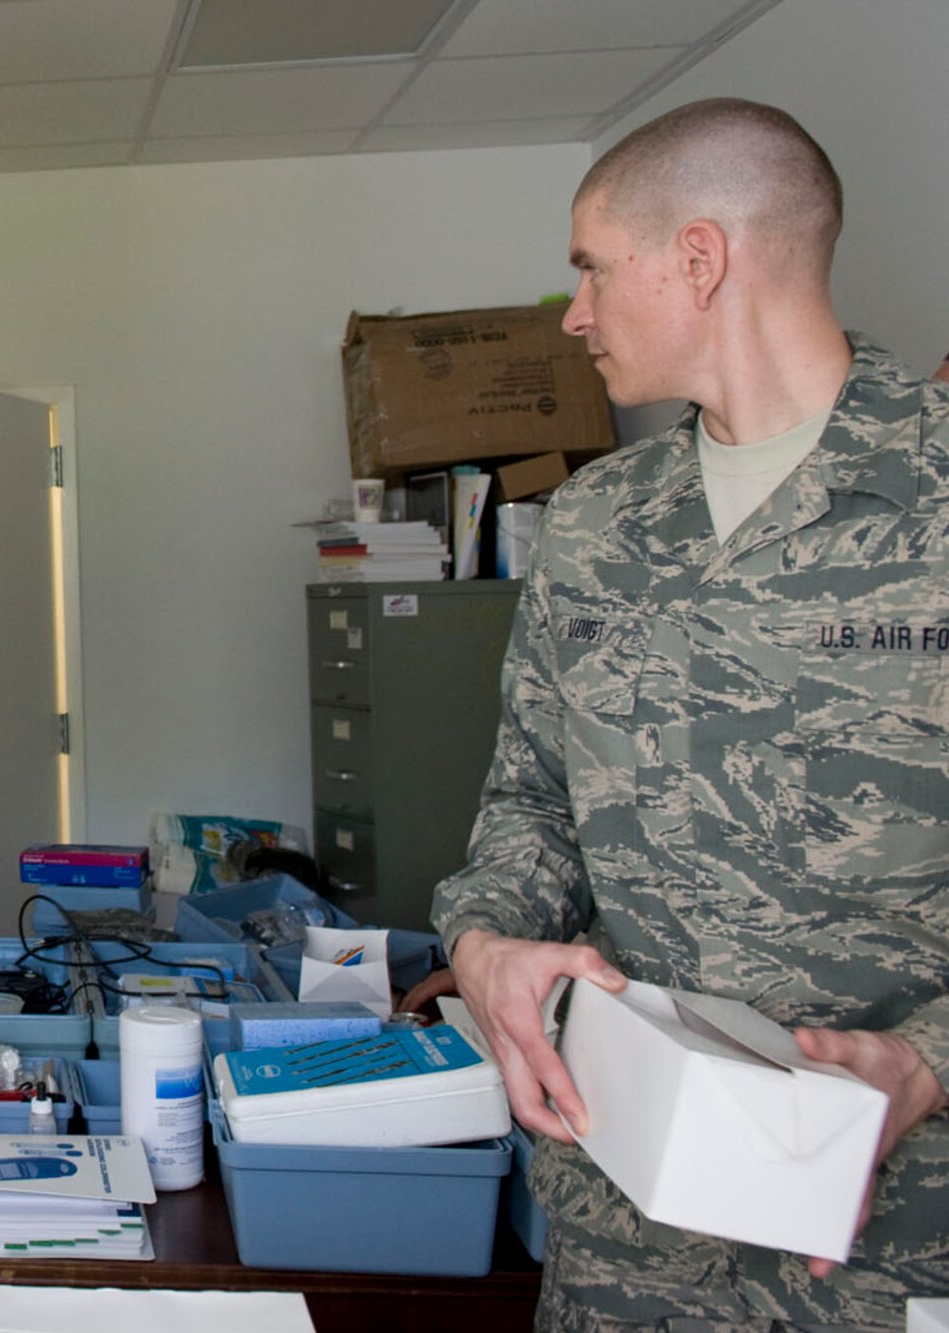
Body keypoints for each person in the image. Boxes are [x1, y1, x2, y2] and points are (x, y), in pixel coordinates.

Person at [433, 98, 948, 1330]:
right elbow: (530, 802)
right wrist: (482, 943)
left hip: (897, 1243)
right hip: (631, 1231)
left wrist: (924, 1057)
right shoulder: (599, 523)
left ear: (698, 258)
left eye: (590, 269)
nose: (572, 314)